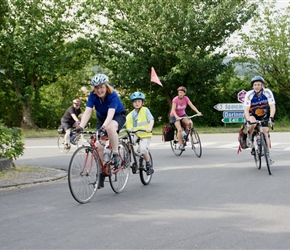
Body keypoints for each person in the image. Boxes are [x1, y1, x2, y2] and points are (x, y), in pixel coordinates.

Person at [76, 73, 126, 166]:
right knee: (99, 146)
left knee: (110, 128)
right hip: (102, 117)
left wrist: (103, 127)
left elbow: (111, 114)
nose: (99, 90)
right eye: (96, 87)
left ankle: (115, 153)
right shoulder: (92, 95)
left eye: (101, 87)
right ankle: (102, 171)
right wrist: (81, 127)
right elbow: (87, 112)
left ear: (106, 86)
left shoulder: (112, 95)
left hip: (117, 115)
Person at [244, 76, 276, 164]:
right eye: (255, 85)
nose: (256, 86)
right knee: (253, 124)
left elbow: (272, 106)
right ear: (252, 86)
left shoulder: (267, 92)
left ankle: (268, 155)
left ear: (262, 85)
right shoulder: (249, 94)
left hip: (263, 115)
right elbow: (246, 109)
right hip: (252, 114)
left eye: (258, 84)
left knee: (266, 132)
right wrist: (248, 120)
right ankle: (249, 137)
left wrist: (271, 117)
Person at [126, 91, 154, 175]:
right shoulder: (130, 114)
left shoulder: (145, 110)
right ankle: (129, 159)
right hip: (135, 134)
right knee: (128, 142)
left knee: (142, 149)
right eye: (134, 102)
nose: (137, 103)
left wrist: (149, 127)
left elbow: (151, 120)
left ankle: (148, 164)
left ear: (142, 102)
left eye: (139, 101)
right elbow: (124, 122)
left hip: (145, 134)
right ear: (132, 103)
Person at [170, 86, 202, 151]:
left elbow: (192, 105)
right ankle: (180, 144)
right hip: (174, 115)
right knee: (179, 130)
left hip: (183, 114)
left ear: (184, 93)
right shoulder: (175, 99)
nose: (180, 94)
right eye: (179, 92)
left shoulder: (186, 99)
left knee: (190, 124)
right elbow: (173, 109)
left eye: (182, 92)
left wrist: (198, 112)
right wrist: (176, 116)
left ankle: (185, 135)